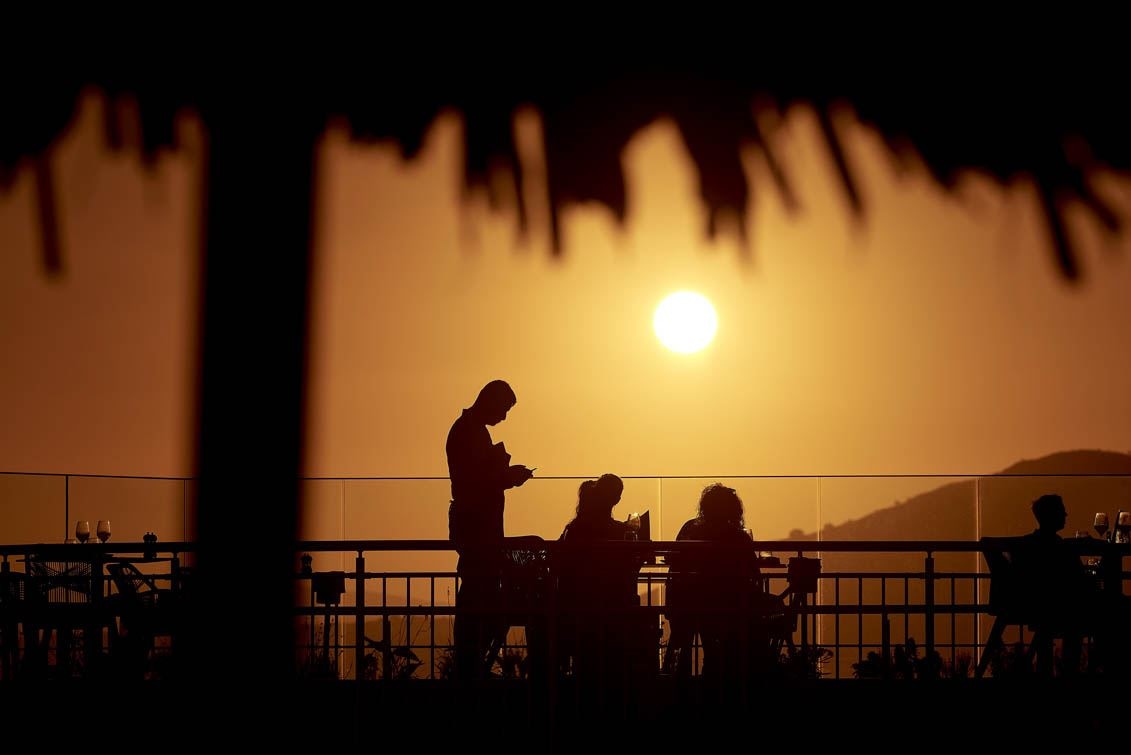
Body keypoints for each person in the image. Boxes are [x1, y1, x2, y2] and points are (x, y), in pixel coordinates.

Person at [446, 380, 535, 680]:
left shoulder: (469, 430)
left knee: (477, 593)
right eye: (504, 409)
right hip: (477, 531)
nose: (504, 417)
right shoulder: (469, 432)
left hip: (478, 529)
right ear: (490, 401)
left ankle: (470, 664)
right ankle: (469, 666)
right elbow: (477, 481)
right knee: (476, 594)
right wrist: (507, 476)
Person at [663, 483, 773, 692]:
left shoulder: (691, 529)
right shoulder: (737, 537)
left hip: (687, 602)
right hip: (725, 605)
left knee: (685, 648)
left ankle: (680, 691)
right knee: (720, 649)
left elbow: (674, 559)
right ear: (734, 509)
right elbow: (753, 573)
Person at [556, 474, 649, 714]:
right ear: (616, 499)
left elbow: (558, 564)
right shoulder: (619, 533)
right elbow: (630, 569)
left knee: (587, 669)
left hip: (579, 611)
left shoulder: (574, 530)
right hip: (614, 612)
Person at [1013, 493, 1101, 675]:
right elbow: (1079, 581)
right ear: (1052, 515)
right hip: (1060, 608)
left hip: (1036, 605)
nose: (1066, 515)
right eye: (1062, 511)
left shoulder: (1029, 544)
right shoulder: (1060, 547)